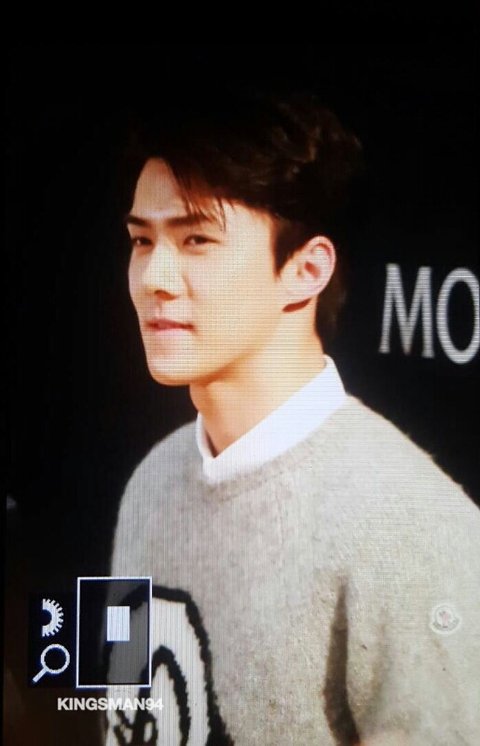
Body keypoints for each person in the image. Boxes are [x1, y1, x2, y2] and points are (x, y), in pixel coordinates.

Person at [105, 88, 480, 745]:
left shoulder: (413, 525)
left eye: (197, 239)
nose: (154, 277)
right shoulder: (150, 484)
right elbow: (127, 724)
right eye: (142, 239)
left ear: (306, 270)